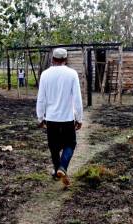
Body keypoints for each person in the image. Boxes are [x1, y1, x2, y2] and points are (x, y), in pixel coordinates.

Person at [36, 48, 83, 187]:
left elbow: (41, 99)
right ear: (66, 59)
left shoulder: (45, 74)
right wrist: (79, 118)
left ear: (52, 59)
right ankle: (62, 168)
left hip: (51, 118)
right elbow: (77, 99)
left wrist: (40, 117)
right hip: (67, 118)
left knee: (53, 147)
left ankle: (58, 170)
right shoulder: (72, 74)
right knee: (70, 144)